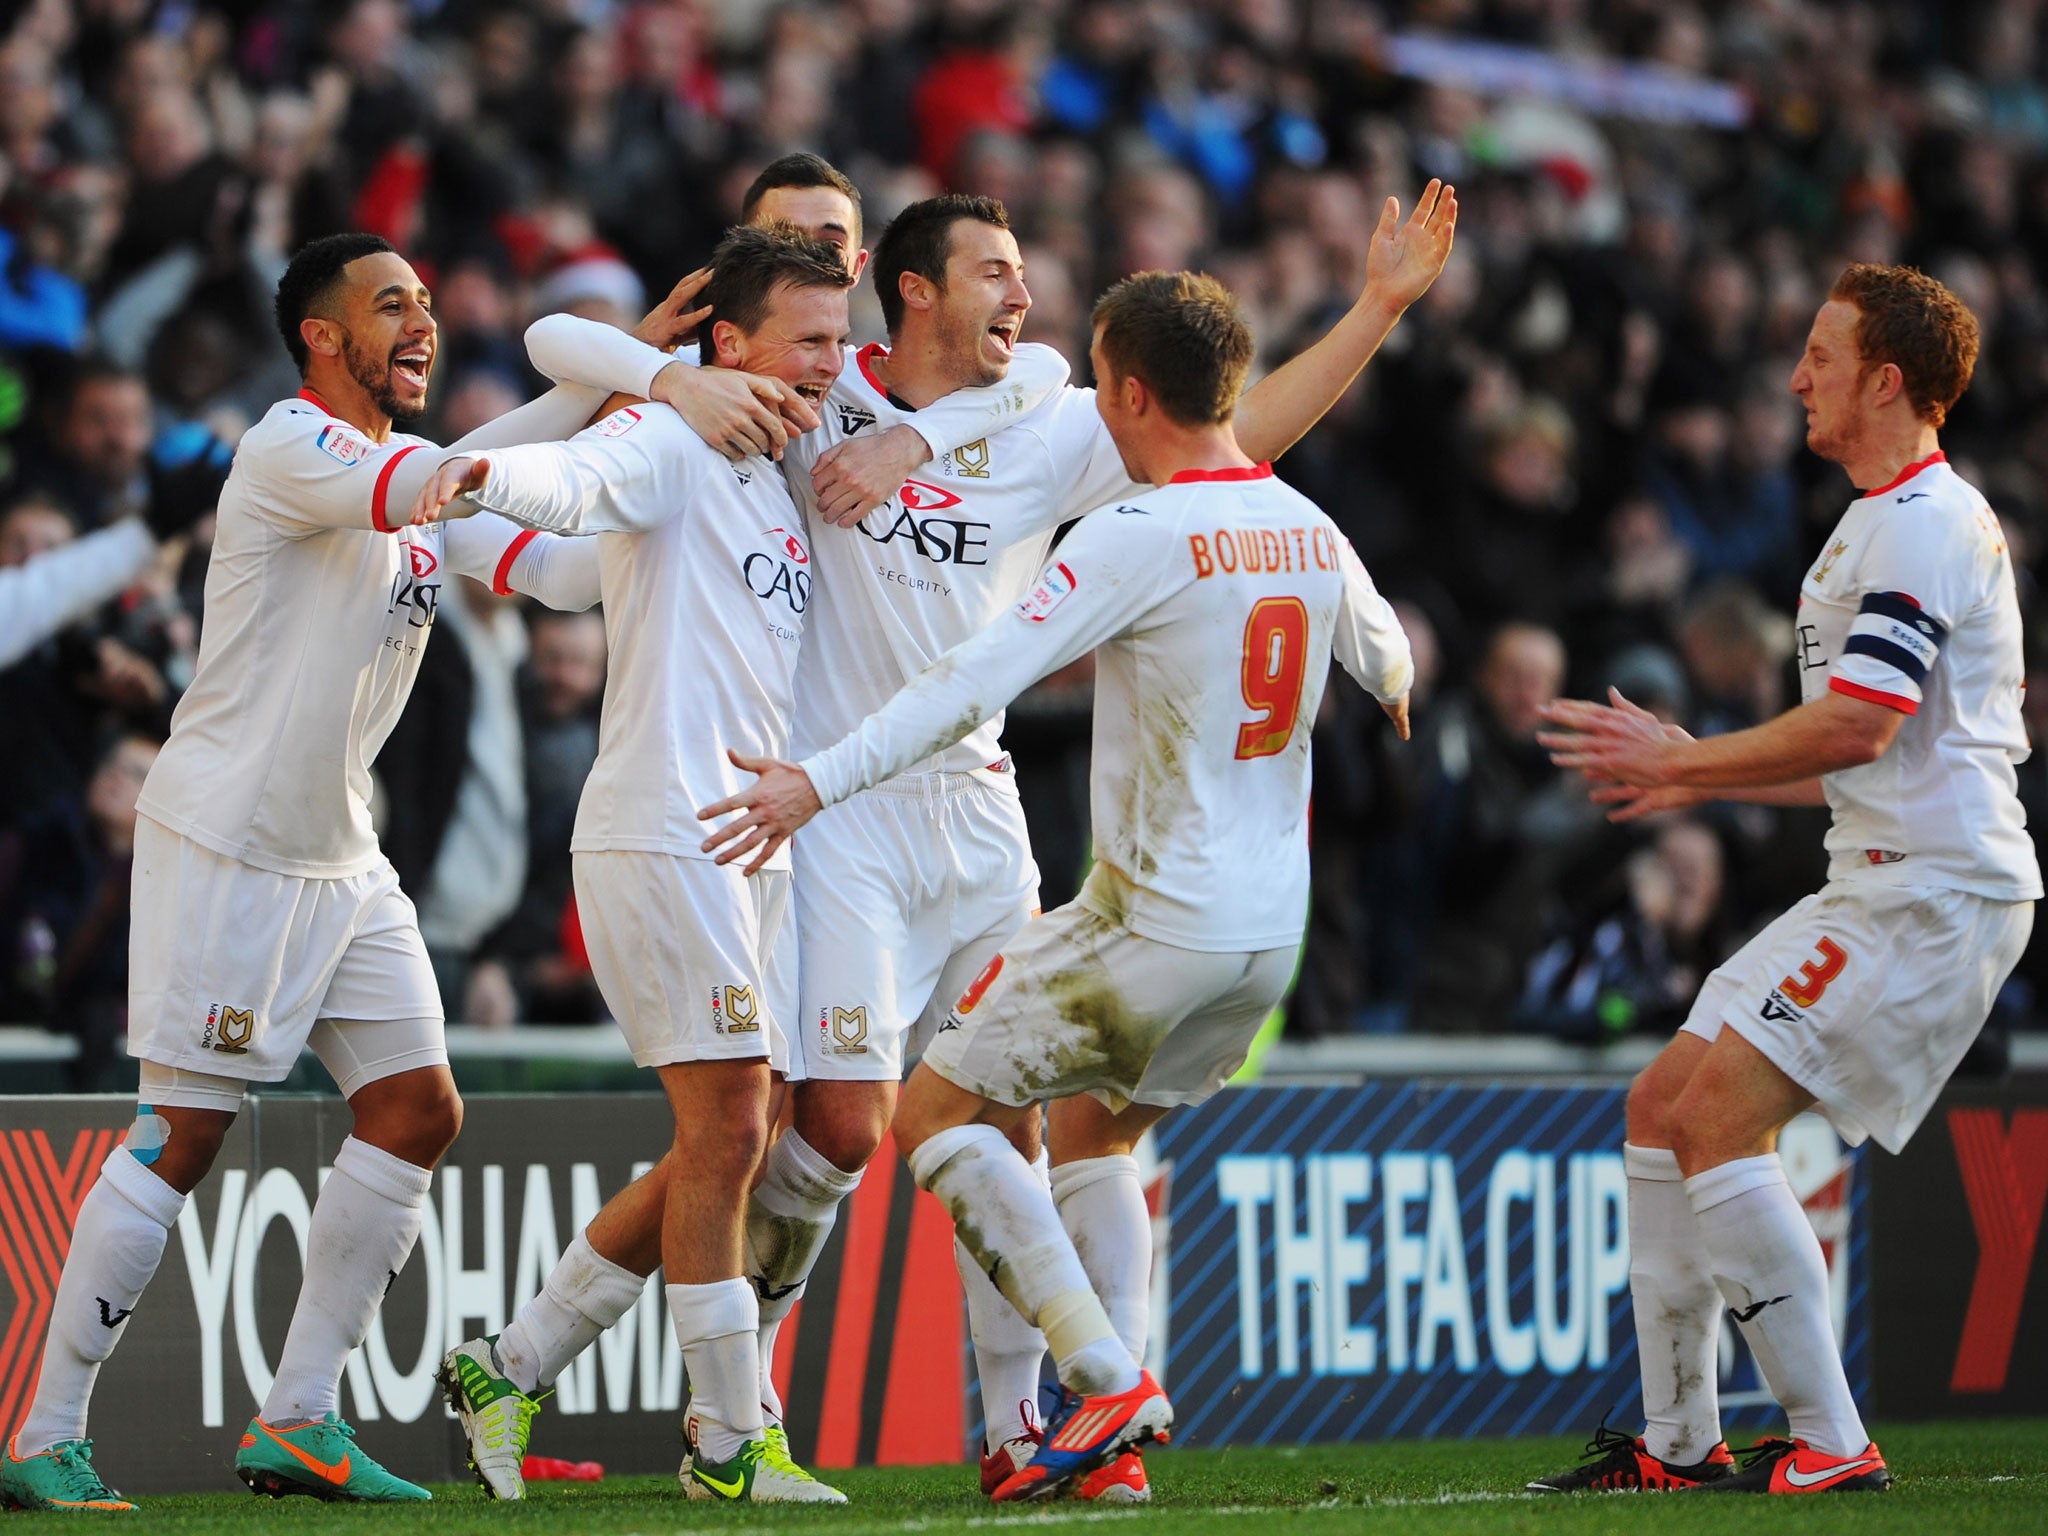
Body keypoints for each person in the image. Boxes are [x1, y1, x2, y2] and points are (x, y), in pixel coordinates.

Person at [0, 230, 785, 1513]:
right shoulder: (292, 447)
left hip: (341, 853)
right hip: (232, 841)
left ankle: (298, 1419)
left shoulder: (412, 484)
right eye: (391, 305)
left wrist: (652, 467)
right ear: (321, 335)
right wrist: (639, 381)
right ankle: (46, 1429)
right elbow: (456, 477)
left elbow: (560, 563)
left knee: (419, 1109)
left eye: (428, 300)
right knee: (185, 1129)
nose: (421, 322)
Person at [738, 179, 1454, 1503]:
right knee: (1062, 1137)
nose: (1023, 295)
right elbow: (1376, 642)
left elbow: (973, 674)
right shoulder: (1301, 524)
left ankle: (1090, 1387)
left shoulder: (1110, 499)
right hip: (1258, 933)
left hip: (1031, 848)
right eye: (996, 270)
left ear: (1122, 395)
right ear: (913, 289)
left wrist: (806, 782)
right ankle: (1058, 1440)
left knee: (946, 1114)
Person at [1529, 264, 2037, 1495]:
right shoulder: (1876, 518)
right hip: (1878, 872)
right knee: (1661, 1104)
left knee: (1715, 1122)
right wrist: (1689, 781)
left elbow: (1856, 729)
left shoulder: (1920, 521)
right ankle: (1677, 1442)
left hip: (1932, 888)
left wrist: (1688, 757)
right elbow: (1855, 757)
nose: (1794, 375)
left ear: (1884, 381)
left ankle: (1828, 1439)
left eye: (1819, 354)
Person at [422, 224, 865, 1506]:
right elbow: (571, 477)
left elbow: (571, 572)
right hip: (665, 826)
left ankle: (510, 1366)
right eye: (813, 340)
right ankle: (730, 1442)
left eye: (840, 341)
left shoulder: (771, 468)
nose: (835, 365)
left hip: (746, 839)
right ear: (729, 345)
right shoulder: (678, 431)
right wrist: (491, 481)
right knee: (730, 1122)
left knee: (737, 1129)